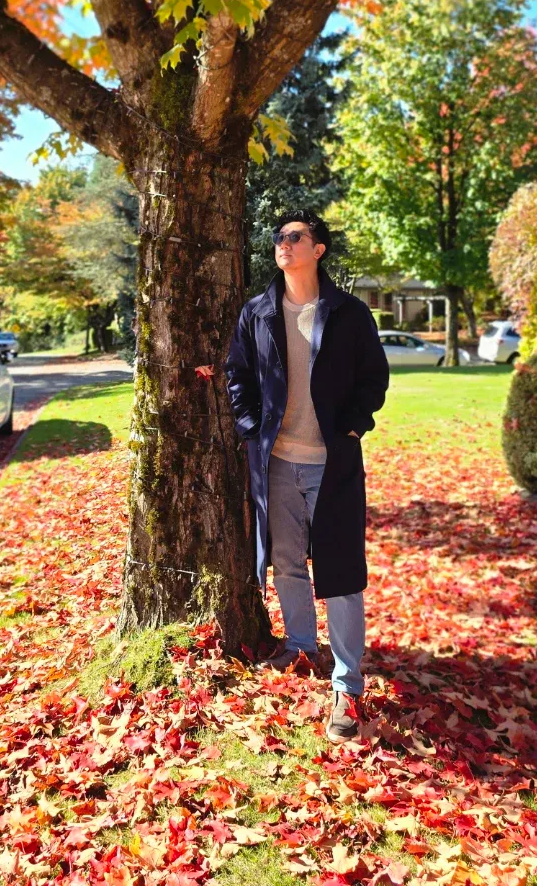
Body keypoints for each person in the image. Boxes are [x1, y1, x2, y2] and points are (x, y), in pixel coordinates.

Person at [225, 210, 389, 743]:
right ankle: (300, 647)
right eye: (278, 237)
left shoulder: (347, 312)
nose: (283, 244)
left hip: (332, 463)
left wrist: (352, 429)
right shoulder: (258, 312)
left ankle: (348, 683)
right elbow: (238, 375)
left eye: (295, 237)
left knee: (341, 571)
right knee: (286, 561)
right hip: (274, 461)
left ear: (319, 250)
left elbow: (374, 377)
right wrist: (250, 427)